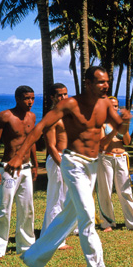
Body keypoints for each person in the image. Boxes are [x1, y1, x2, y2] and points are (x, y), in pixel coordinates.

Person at [7, 67, 131, 267]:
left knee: (69, 216)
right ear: (87, 83)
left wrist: (125, 121)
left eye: (107, 81)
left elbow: (119, 128)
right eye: (100, 82)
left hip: (93, 165)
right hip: (73, 163)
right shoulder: (70, 104)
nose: (106, 85)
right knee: (87, 214)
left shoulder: (104, 104)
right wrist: (19, 155)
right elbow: (40, 127)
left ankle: (33, 258)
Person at [0, 85, 38, 260]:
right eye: (26, 98)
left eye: (32, 98)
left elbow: (31, 141)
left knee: (27, 208)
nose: (30, 102)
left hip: (26, 168)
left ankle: (26, 246)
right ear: (17, 99)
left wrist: (35, 164)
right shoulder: (5, 116)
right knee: (3, 208)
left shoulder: (32, 116)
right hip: (8, 168)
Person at [95, 96, 133, 231]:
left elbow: (127, 141)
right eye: (111, 106)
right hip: (106, 158)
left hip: (121, 158)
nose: (114, 108)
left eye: (116, 106)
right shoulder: (101, 124)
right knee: (105, 191)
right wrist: (115, 130)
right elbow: (102, 143)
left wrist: (125, 125)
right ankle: (107, 223)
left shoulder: (120, 123)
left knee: (126, 191)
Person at [41, 83, 74, 250]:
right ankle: (56, 240)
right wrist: (62, 165)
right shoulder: (52, 117)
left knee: (68, 198)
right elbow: (51, 146)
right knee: (56, 199)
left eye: (65, 94)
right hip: (58, 160)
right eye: (59, 95)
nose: (63, 97)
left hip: (70, 159)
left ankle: (57, 233)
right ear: (52, 97)